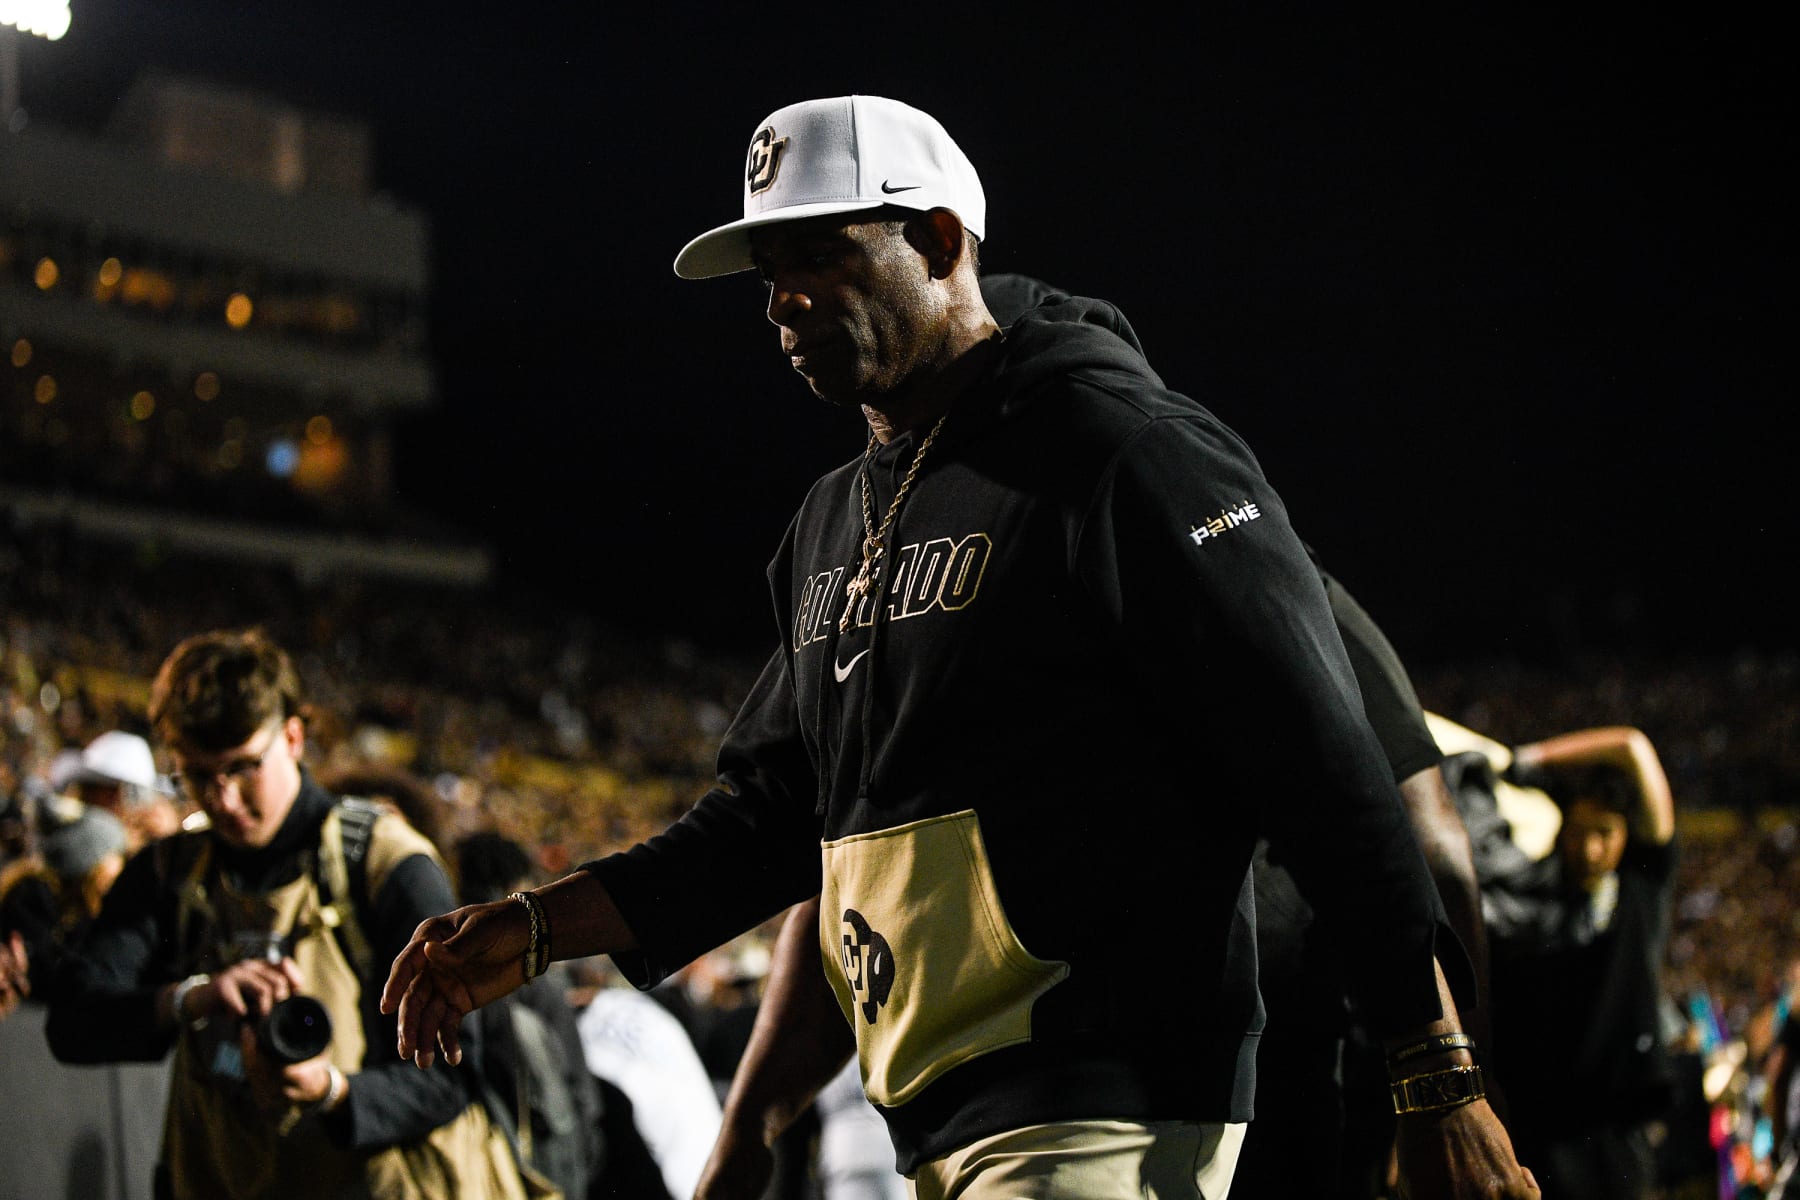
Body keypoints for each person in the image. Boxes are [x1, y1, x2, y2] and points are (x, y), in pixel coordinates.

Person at [385, 94, 1537, 1199]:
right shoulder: (836, 518)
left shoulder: (1122, 451)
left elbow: (1325, 770)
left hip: (1107, 1086)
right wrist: (538, 928)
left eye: (816, 256)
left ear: (938, 240)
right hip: (936, 1107)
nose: (780, 300)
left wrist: (1435, 1072)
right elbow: (772, 826)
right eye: (766, 274)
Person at [692, 275, 1494, 1200]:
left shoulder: (1173, 523)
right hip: (1056, 1099)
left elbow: (1407, 823)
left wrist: (1445, 1075)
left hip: (1209, 1079)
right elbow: (845, 877)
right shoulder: (947, 564)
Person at [45, 628, 541, 1200]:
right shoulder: (171, 871)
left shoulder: (384, 862)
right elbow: (73, 1022)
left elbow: (457, 1073)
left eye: (243, 767)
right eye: (198, 776)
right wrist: (189, 998)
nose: (223, 798)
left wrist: (332, 1090)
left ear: (294, 736)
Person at [1478, 724, 1678, 1200]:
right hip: (1539, 1131)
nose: (1590, 850)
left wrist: (1529, 757)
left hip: (1616, 1128)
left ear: (1628, 834)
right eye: (1579, 831)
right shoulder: (1527, 908)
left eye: (1604, 833)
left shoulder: (1640, 888)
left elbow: (1631, 746)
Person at [0, 797, 129, 1003]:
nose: (120, 869)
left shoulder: (85, 905)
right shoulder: (31, 896)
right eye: (115, 858)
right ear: (92, 864)